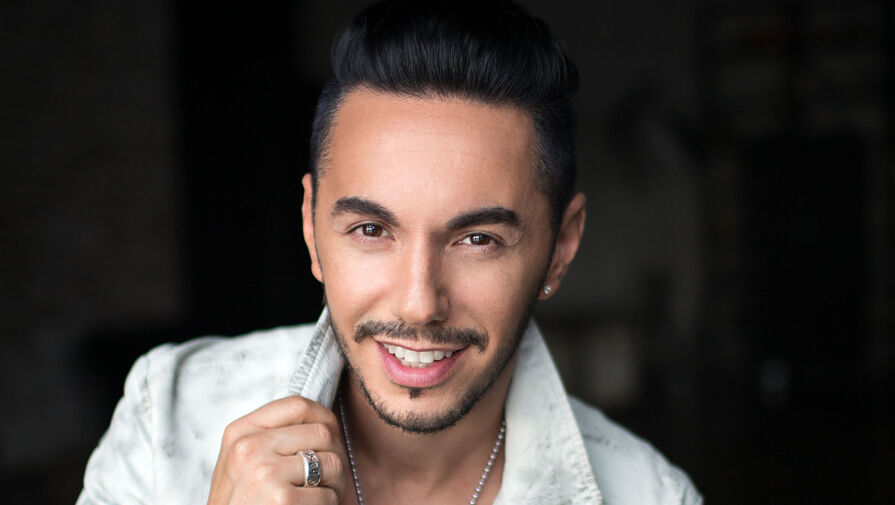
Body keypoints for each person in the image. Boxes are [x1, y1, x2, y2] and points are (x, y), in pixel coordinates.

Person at [77, 1, 701, 504]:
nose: (419, 303)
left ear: (560, 248)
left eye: (477, 239)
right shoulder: (167, 417)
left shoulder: (650, 496)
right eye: (372, 230)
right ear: (311, 227)